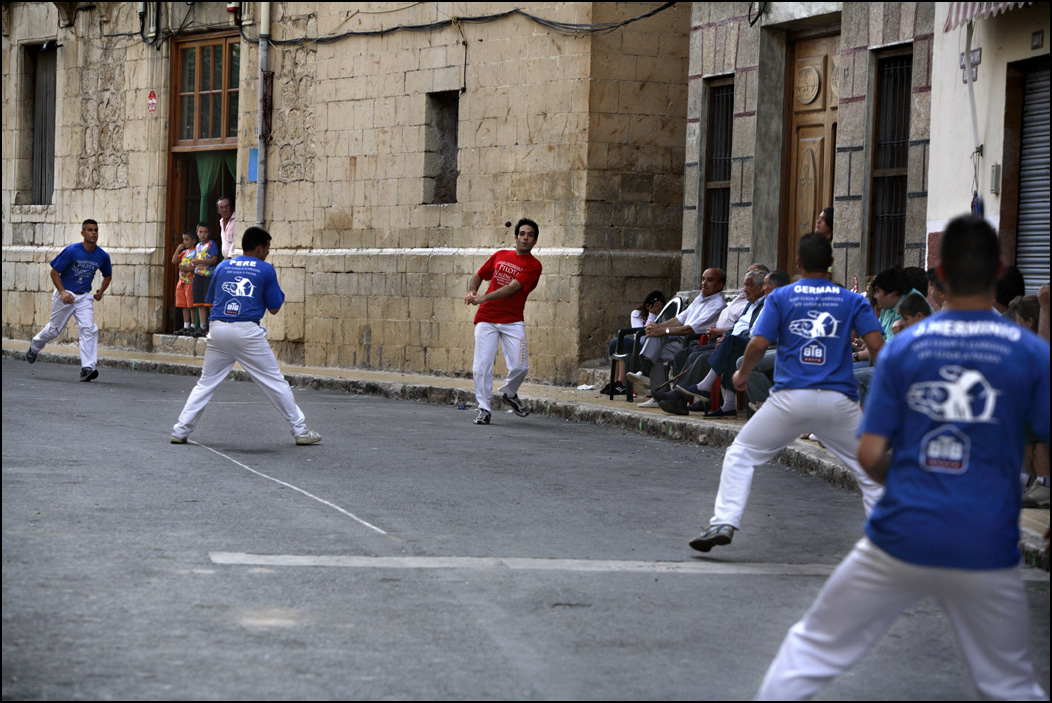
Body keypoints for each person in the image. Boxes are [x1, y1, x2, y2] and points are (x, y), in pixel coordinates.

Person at [756, 214, 1050, 701]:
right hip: (986, 541)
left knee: (810, 652)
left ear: (939, 274)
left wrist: (917, 470)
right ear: (999, 269)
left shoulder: (904, 348)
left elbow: (869, 456)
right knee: (1010, 683)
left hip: (902, 532)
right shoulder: (1029, 353)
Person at [689, 233, 885, 553]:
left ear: (797, 263)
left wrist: (742, 373)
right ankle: (886, 539)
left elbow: (758, 344)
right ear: (832, 264)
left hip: (790, 398)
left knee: (741, 454)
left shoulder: (780, 297)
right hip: (838, 400)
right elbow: (877, 347)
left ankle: (724, 521)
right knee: (869, 470)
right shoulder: (853, 301)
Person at [171, 226, 321, 446]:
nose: (268, 252)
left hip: (218, 327)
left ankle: (180, 430)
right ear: (259, 248)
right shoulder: (265, 269)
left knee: (206, 383)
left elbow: (212, 299)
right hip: (247, 331)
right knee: (274, 381)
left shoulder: (223, 266)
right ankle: (300, 430)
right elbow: (275, 308)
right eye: (267, 248)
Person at [464, 218, 543, 425]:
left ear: (535, 241)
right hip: (487, 319)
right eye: (523, 234)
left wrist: (482, 298)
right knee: (481, 366)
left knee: (521, 365)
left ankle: (509, 392)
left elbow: (512, 288)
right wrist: (472, 290)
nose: (526, 238)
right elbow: (479, 275)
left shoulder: (534, 266)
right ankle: (484, 408)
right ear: (516, 237)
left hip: (513, 320)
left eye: (531, 235)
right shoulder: (500, 256)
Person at [658, 268, 767, 417]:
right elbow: (737, 325)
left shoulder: (765, 305)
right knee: (689, 354)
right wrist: (726, 336)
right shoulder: (750, 304)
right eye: (744, 285)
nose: (744, 289)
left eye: (749, 285)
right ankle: (724, 405)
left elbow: (753, 331)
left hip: (750, 345)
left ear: (761, 288)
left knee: (705, 357)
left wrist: (727, 337)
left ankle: (699, 388)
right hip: (732, 342)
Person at [25, 219, 113, 382]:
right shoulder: (72, 251)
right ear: (83, 233)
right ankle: (34, 347)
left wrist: (101, 290)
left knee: (89, 328)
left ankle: (87, 368)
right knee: (53, 330)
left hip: (84, 297)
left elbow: (107, 274)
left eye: (95, 230)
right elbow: (54, 272)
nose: (93, 233)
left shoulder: (102, 255)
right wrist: (63, 292)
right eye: (90, 230)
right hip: (66, 295)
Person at [627, 268, 726, 406]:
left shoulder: (717, 305)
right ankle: (651, 381)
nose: (704, 283)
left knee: (658, 340)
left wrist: (662, 330)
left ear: (720, 285)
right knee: (656, 340)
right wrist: (657, 326)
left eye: (709, 280)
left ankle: (647, 375)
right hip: (679, 338)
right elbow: (680, 319)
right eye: (703, 279)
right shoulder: (700, 298)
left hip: (692, 341)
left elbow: (690, 329)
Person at [602, 290, 666, 396]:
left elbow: (646, 339)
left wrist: (655, 316)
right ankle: (614, 382)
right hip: (639, 345)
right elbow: (639, 336)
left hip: (649, 349)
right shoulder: (636, 314)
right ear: (647, 305)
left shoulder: (664, 317)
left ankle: (622, 383)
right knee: (615, 342)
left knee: (624, 342)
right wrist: (651, 315)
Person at [191, 222, 220, 338]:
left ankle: (212, 326)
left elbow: (214, 260)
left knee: (209, 302)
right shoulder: (197, 246)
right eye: (201, 232)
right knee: (200, 302)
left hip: (208, 275)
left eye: (205, 232)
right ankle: (202, 326)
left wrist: (200, 262)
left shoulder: (211, 244)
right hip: (198, 275)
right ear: (197, 233)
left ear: (209, 233)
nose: (203, 234)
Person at [172, 230, 199, 336]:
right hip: (182, 280)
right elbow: (174, 260)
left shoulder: (196, 251)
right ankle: (186, 325)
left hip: (190, 281)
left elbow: (197, 268)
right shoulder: (184, 252)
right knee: (184, 304)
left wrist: (187, 268)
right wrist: (178, 249)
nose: (184, 242)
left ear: (194, 240)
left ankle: (193, 325)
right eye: (183, 239)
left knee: (191, 305)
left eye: (187, 240)